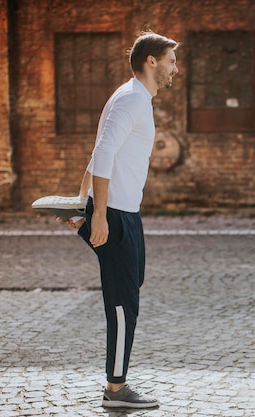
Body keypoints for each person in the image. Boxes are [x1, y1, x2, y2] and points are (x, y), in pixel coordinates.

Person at [63, 31, 179, 408]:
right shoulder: (131, 99)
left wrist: (83, 201)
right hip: (114, 212)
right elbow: (105, 149)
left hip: (125, 211)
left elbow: (102, 151)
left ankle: (117, 386)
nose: (175, 68)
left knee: (133, 283)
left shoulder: (132, 96)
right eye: (171, 61)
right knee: (122, 302)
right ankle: (116, 389)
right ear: (152, 61)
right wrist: (96, 213)